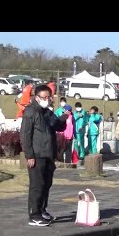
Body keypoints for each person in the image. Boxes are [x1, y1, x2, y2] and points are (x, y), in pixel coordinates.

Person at [20, 84, 69, 226]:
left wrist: (64, 117)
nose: (47, 99)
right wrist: (29, 155)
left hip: (48, 154)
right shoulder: (31, 111)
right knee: (37, 184)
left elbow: (58, 126)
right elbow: (25, 135)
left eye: (49, 97)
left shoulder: (46, 112)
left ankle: (42, 209)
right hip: (36, 154)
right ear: (36, 97)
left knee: (46, 184)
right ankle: (34, 214)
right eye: (44, 97)